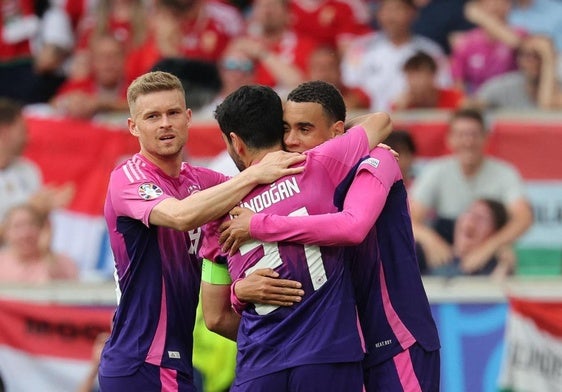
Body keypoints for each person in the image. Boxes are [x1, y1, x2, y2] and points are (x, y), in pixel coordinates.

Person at [218, 81, 440, 391]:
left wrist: (258, 224)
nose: (292, 140)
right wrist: (239, 290)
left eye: (304, 128)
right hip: (346, 344)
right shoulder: (298, 180)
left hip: (396, 333)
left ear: (337, 132)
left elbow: (352, 227)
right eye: (286, 129)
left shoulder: (376, 160)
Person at [98, 71, 305, 391]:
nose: (165, 123)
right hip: (142, 360)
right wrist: (253, 175)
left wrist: (347, 146)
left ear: (188, 117)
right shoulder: (128, 177)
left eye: (173, 113)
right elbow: (182, 216)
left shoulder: (200, 181)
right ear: (133, 127)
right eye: (152, 116)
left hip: (173, 360)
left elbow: (265, 193)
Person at [409, 108, 533, 275]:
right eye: (461, 135)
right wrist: (429, 239)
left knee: (505, 259)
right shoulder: (436, 171)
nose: (468, 142)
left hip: (488, 244)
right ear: (450, 139)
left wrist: (488, 248)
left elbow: (523, 218)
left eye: (474, 135)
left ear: (486, 138)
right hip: (445, 242)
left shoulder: (505, 173)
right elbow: (409, 217)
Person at [341, 0, 451, 111]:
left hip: (412, 119)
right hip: (368, 120)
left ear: (413, 13)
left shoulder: (431, 51)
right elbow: (348, 87)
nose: (392, 16)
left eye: (398, 9)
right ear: (378, 14)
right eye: (387, 9)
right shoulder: (360, 49)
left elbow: (442, 89)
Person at [418, 198, 515, 277]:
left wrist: (504, 264)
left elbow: (495, 296)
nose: (471, 220)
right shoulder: (425, 256)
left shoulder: (493, 267)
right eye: (468, 213)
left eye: (481, 218)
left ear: (495, 234)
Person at [450, 0, 526, 95]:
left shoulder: (519, 33)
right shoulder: (467, 42)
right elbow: (458, 83)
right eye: (490, 2)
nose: (495, 7)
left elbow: (517, 43)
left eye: (501, 2)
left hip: (510, 101)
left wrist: (482, 17)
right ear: (480, 6)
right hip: (477, 103)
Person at [471, 35, 562, 110]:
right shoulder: (504, 87)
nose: (531, 61)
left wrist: (549, 61)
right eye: (526, 55)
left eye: (539, 56)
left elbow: (548, 105)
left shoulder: (559, 87)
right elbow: (470, 106)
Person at [0, 203, 79, 283]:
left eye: (31, 225)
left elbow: (65, 290)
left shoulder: (63, 262)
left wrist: (46, 253)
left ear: (43, 229)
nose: (25, 234)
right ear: (6, 232)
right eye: (18, 226)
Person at [392, 51, 464, 111]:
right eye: (410, 76)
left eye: (419, 76)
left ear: (433, 75)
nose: (414, 82)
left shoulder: (456, 100)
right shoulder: (401, 103)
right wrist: (399, 110)